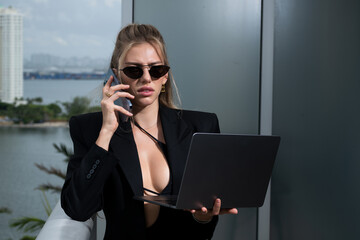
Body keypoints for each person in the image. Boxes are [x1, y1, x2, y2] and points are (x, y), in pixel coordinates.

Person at [61, 23, 238, 240]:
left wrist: (204, 218)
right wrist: (107, 131)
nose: (146, 78)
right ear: (116, 76)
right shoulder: (89, 129)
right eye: (134, 70)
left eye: (156, 70)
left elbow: (202, 224)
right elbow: (77, 208)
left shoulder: (201, 127)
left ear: (165, 76)